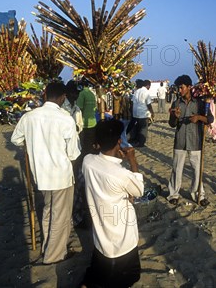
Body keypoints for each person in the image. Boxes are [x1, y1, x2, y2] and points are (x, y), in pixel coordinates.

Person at [11, 82, 81, 265]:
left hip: (40, 175)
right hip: (61, 176)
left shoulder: (29, 117)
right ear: (63, 97)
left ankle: (48, 246)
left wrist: (32, 141)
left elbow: (16, 139)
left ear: (45, 95)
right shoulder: (66, 118)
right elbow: (73, 153)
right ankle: (54, 255)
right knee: (60, 216)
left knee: (49, 211)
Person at [81, 119, 144, 288]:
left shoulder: (87, 161)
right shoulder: (121, 174)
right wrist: (132, 160)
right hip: (121, 236)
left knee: (98, 269)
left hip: (100, 231)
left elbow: (105, 171)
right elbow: (139, 190)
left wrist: (117, 158)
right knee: (126, 277)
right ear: (118, 142)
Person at [167, 75, 213, 206]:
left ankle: (199, 194)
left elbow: (210, 119)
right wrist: (175, 117)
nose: (179, 90)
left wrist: (198, 117)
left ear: (189, 87)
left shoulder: (200, 103)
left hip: (195, 140)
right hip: (180, 140)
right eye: (178, 88)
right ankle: (173, 194)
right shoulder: (176, 103)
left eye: (181, 87)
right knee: (177, 168)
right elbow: (171, 124)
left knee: (197, 170)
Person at [130, 80, 155, 147]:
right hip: (143, 113)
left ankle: (136, 140)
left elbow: (132, 102)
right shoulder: (146, 92)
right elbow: (148, 104)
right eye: (149, 86)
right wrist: (152, 112)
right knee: (143, 128)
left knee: (138, 127)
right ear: (148, 85)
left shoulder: (136, 91)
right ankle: (141, 143)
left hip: (135, 113)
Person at [77, 81, 97, 155]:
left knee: (84, 146)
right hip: (93, 122)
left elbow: (79, 108)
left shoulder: (82, 94)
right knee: (89, 144)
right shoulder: (92, 94)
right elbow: (94, 108)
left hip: (84, 123)